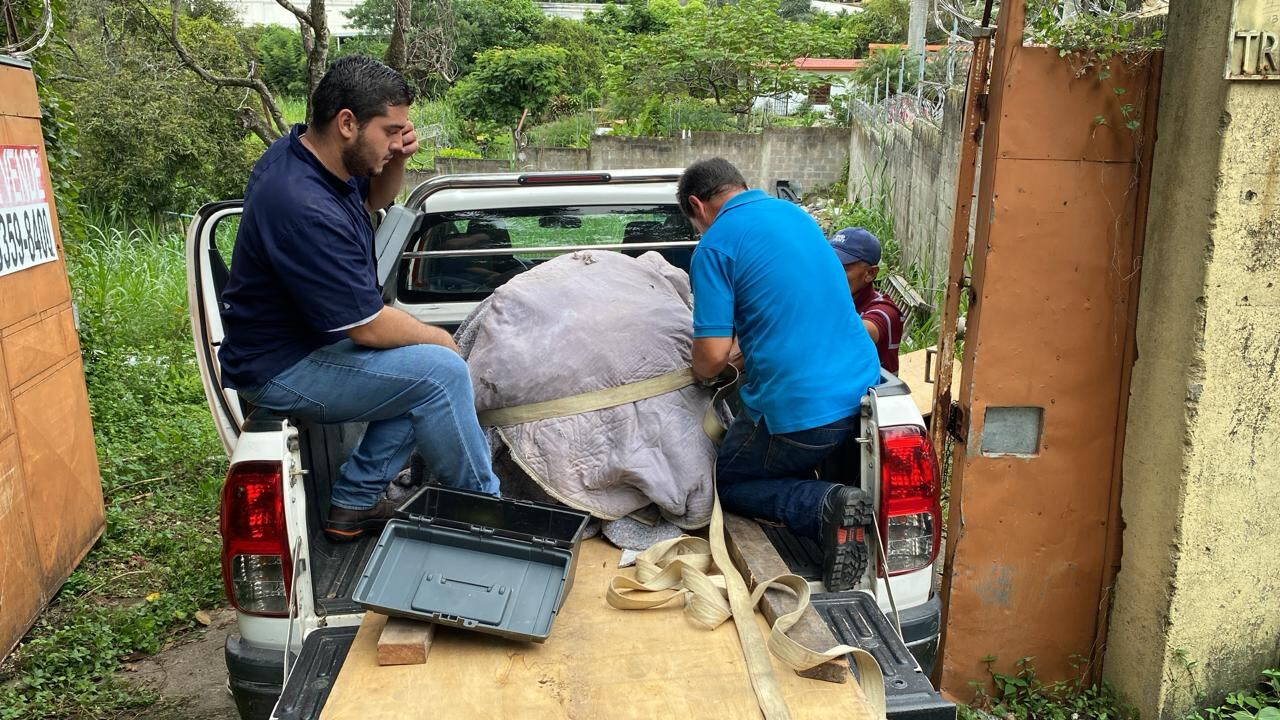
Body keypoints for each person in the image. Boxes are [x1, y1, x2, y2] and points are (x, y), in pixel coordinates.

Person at [218, 56, 499, 542]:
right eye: (390, 130)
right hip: (281, 368)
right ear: (347, 122)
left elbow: (373, 200)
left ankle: (353, 503)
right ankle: (485, 512)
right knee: (440, 371)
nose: (398, 140)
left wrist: (398, 158)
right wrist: (440, 340)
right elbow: (367, 326)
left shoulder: (317, 155)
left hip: (307, 344)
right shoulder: (302, 205)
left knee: (424, 368)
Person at [678, 158, 882, 591]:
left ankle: (824, 505)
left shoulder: (714, 245)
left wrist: (702, 365)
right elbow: (783, 305)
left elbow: (711, 360)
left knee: (728, 480)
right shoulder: (797, 216)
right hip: (862, 390)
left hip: (801, 413)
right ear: (741, 186)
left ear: (697, 205)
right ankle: (830, 502)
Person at [830, 227, 905, 375]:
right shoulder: (838, 302)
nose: (832, 273)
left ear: (870, 273)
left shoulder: (885, 311)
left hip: (876, 395)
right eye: (830, 265)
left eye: (842, 268)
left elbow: (852, 336)